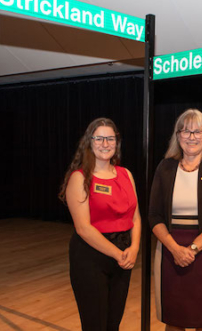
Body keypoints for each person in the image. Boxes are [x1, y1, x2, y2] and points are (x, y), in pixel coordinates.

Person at [149, 109, 202, 331]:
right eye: (186, 131)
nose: (192, 136)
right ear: (177, 136)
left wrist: (192, 249)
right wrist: (175, 249)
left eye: (197, 131)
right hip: (170, 249)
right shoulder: (165, 167)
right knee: (174, 319)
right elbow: (154, 215)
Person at [59, 117, 141, 331]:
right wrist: (118, 254)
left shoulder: (126, 175)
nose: (105, 144)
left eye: (110, 139)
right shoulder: (79, 178)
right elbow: (83, 228)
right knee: (95, 325)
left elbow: (136, 217)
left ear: (117, 142)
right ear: (89, 141)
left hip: (124, 254)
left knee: (113, 323)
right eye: (99, 138)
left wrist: (134, 248)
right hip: (90, 256)